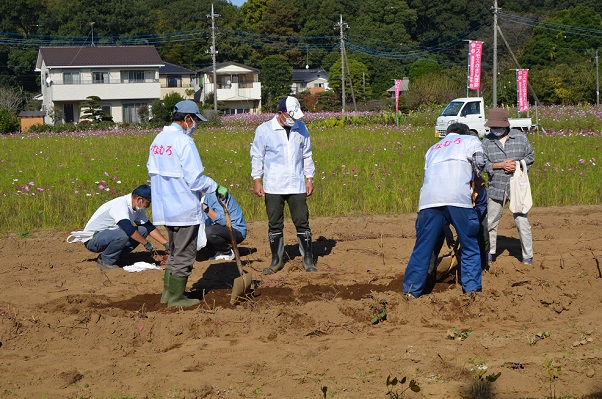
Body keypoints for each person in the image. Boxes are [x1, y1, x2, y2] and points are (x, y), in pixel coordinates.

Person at [147, 100, 228, 308]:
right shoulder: (184, 142)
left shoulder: (159, 139)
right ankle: (176, 297)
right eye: (194, 121)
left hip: (166, 207)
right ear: (187, 119)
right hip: (183, 207)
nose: (194, 125)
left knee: (174, 251)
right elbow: (195, 179)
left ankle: (167, 294)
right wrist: (214, 186)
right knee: (185, 254)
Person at [403, 122, 485, 298]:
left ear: (447, 135)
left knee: (423, 246)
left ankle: (411, 291)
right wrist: (477, 177)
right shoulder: (470, 140)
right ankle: (472, 291)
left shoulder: (432, 149)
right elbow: (479, 161)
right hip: (458, 197)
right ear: (464, 133)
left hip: (429, 200)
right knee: (470, 244)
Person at [250, 96, 317, 274]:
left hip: (296, 184)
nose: (293, 119)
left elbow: (307, 154)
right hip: (273, 185)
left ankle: (308, 259)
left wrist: (309, 178)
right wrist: (257, 179)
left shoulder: (301, 128)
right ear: (280, 113)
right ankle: (276, 260)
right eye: (290, 115)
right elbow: (257, 156)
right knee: (274, 223)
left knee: (302, 221)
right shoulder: (264, 130)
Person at [482, 108, 535, 265]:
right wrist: (499, 165)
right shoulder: (486, 141)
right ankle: (489, 254)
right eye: (493, 127)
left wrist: (518, 165)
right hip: (496, 187)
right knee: (491, 221)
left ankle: (528, 256)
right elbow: (483, 164)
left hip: (517, 187)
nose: (495, 130)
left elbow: (530, 156)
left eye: (498, 127)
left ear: (506, 125)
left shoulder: (520, 137)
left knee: (521, 221)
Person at [82, 184, 169, 270]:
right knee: (124, 234)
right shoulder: (120, 205)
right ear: (139, 199)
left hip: (109, 235)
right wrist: (145, 243)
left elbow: (148, 227)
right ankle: (105, 260)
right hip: (93, 240)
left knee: (143, 230)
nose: (148, 206)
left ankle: (118, 257)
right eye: (148, 203)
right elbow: (128, 229)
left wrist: (166, 243)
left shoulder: (137, 209)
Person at [202, 191, 247, 261]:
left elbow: (223, 221)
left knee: (208, 232)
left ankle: (226, 252)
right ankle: (218, 250)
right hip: (217, 229)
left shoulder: (215, 194)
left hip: (235, 229)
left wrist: (204, 207)